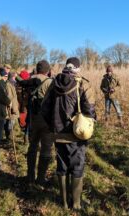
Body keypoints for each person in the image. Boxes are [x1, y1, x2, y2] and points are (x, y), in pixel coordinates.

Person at [42, 57, 96, 209]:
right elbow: (90, 110)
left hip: (58, 133)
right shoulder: (83, 84)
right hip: (77, 134)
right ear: (78, 68)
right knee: (77, 166)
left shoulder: (54, 83)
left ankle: (64, 203)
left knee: (62, 165)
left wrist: (53, 125)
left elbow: (44, 108)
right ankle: (77, 204)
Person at [18, 60, 54, 186]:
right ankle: (41, 178)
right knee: (46, 148)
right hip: (46, 120)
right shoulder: (50, 82)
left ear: (37, 69)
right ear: (48, 70)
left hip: (32, 118)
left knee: (32, 146)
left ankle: (30, 176)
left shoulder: (29, 80)